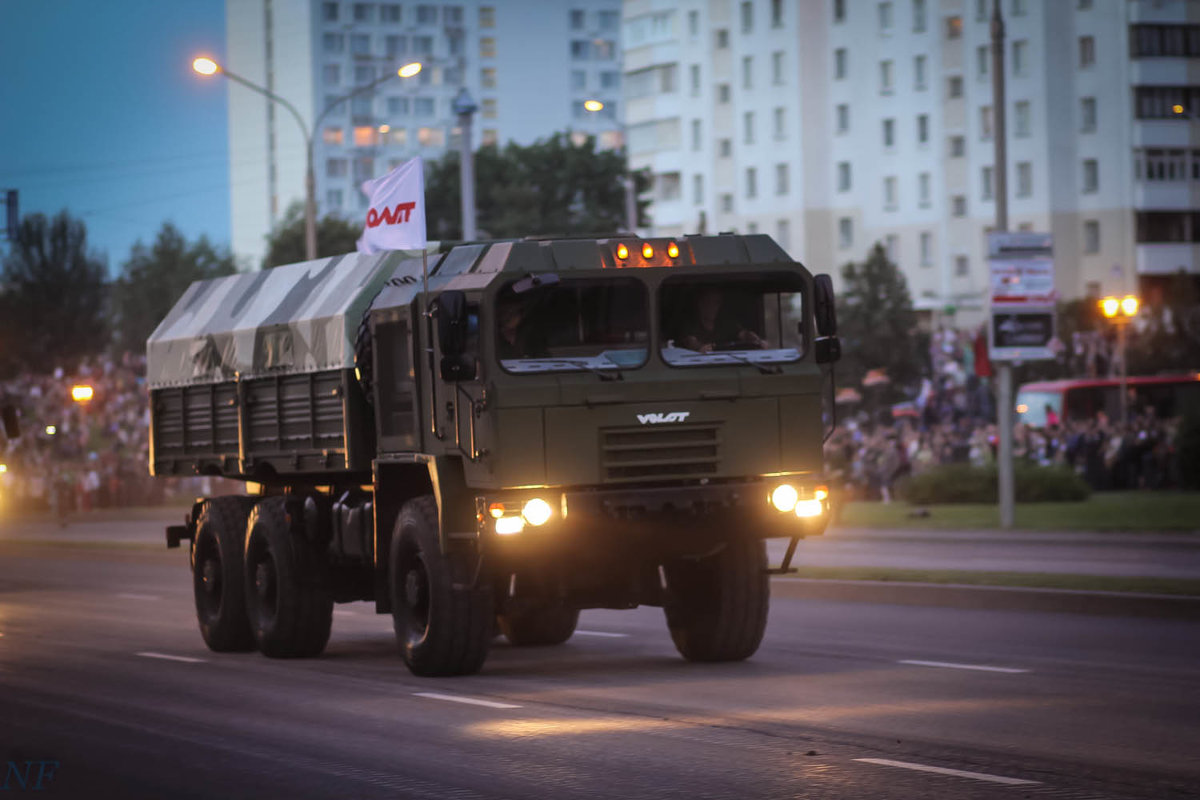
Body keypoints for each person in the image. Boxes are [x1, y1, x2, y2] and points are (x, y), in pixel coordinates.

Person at [677, 288, 766, 353]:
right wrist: (701, 349)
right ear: (700, 304)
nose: (713, 307)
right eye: (709, 302)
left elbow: (743, 334)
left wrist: (756, 340)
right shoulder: (690, 325)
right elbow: (691, 342)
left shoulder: (725, 323)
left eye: (716, 303)